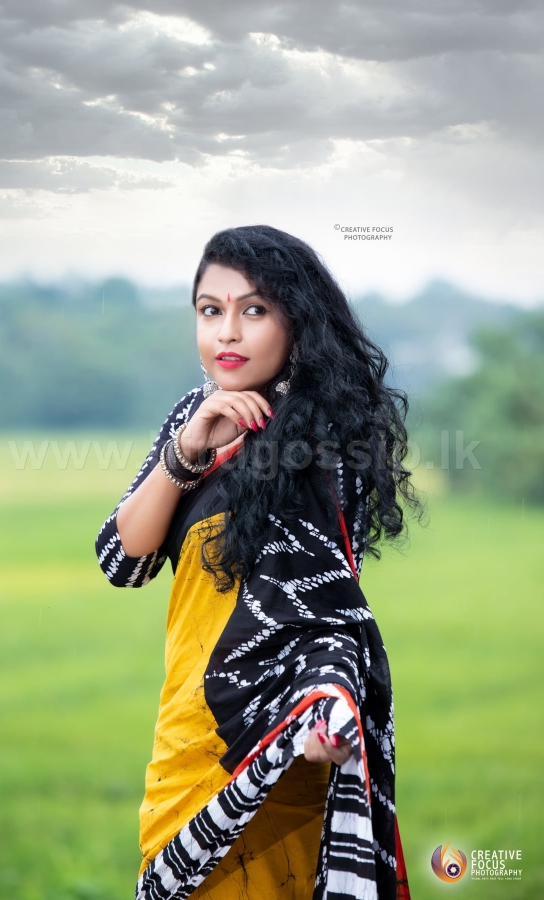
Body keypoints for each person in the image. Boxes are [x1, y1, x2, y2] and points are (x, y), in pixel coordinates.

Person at [95, 225, 422, 900]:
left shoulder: (327, 438)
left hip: (275, 744)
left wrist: (324, 708)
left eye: (254, 309)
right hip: (187, 729)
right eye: (210, 310)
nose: (228, 333)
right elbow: (122, 559)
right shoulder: (193, 413)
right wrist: (191, 447)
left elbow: (322, 610)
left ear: (296, 321)